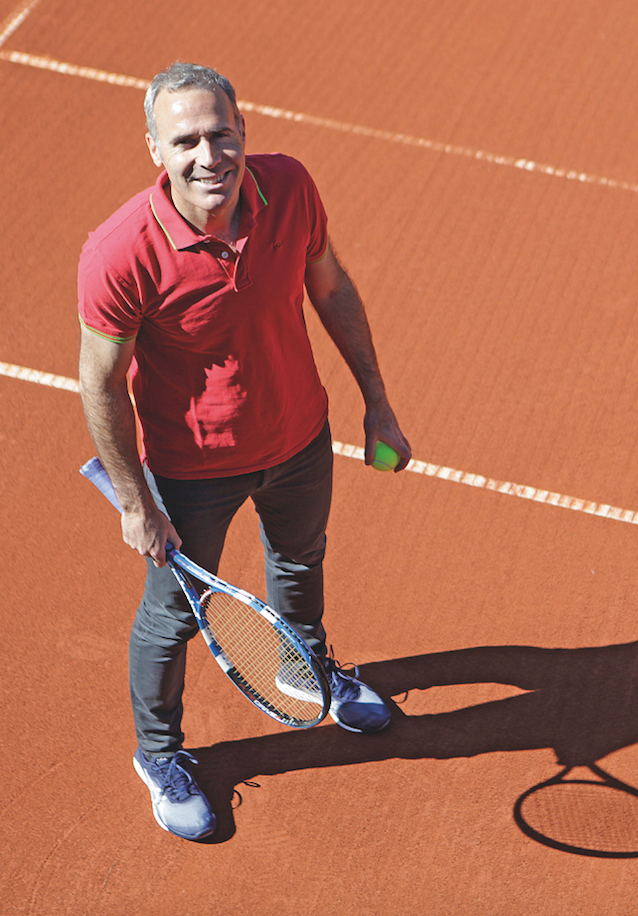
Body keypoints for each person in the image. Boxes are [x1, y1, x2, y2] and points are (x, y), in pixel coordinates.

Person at [77, 62, 411, 841]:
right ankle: (159, 754)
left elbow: (330, 287)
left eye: (220, 133)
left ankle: (304, 669)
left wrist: (377, 402)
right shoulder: (119, 251)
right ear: (156, 149)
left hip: (300, 435)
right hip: (193, 469)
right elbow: (100, 383)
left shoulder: (290, 188)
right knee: (172, 618)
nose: (208, 155)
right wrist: (137, 499)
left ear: (243, 131)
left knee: (300, 560)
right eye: (185, 139)